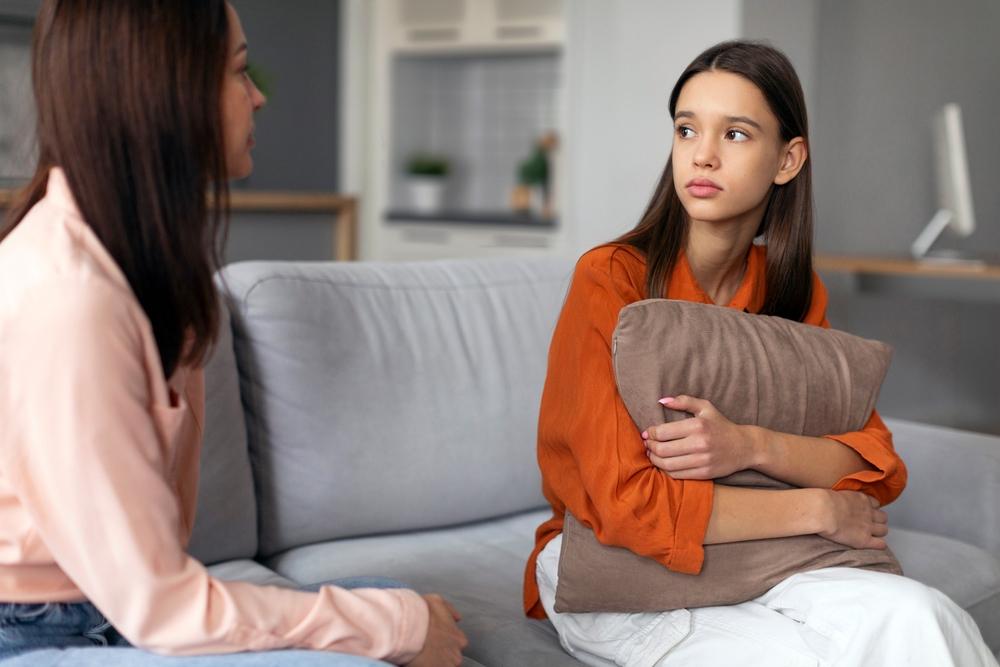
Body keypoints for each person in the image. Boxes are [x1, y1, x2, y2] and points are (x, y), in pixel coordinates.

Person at [0, 1, 467, 665]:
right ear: (167, 94)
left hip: (116, 608)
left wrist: (396, 615)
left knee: (403, 603)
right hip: (39, 630)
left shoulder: (138, 260)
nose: (259, 97)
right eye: (240, 73)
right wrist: (396, 625)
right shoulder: (70, 300)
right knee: (393, 624)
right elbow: (161, 605)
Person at [523, 40, 997, 666]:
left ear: (788, 158)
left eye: (737, 134)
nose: (703, 154)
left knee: (925, 618)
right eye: (687, 128)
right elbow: (627, 506)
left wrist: (750, 446)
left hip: (760, 554)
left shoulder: (792, 291)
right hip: (610, 568)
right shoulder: (611, 278)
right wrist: (819, 506)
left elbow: (874, 468)